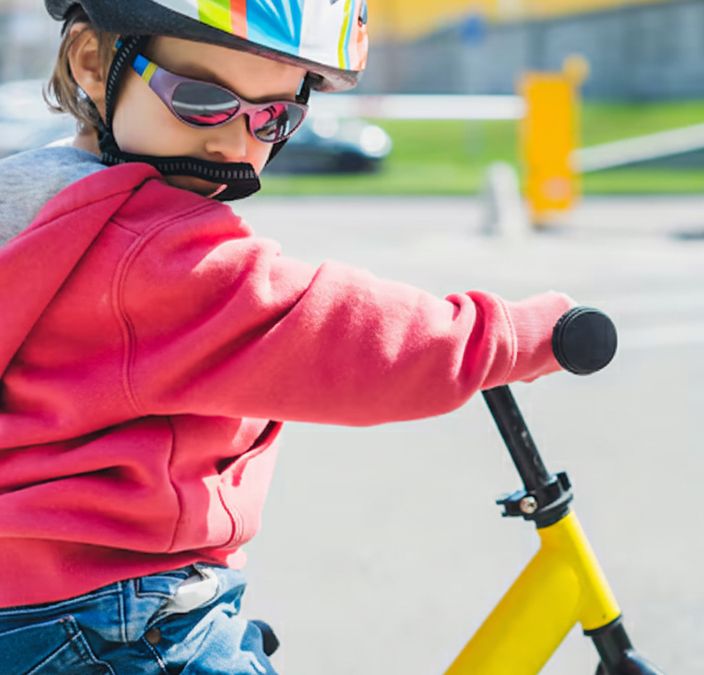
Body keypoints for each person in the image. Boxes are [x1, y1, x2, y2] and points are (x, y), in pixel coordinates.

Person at [0, 2, 574, 672]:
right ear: (94, 63)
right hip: (120, 619)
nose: (235, 146)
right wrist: (522, 334)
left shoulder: (27, 197)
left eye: (273, 117)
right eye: (203, 101)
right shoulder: (154, 253)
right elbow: (342, 336)